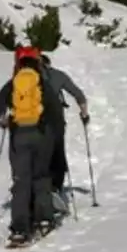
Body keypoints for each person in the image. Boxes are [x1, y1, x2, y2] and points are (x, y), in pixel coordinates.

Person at [0, 46, 65, 245]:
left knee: (21, 181)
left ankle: (20, 229)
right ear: (37, 62)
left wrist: (10, 116)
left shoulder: (13, 83)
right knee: (41, 177)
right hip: (41, 136)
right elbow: (55, 111)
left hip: (19, 137)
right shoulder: (42, 83)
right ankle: (44, 219)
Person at [40, 54, 90, 198]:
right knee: (57, 153)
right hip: (56, 122)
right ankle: (56, 187)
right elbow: (79, 95)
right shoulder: (58, 75)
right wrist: (84, 114)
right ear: (49, 64)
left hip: (32, 123)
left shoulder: (24, 77)